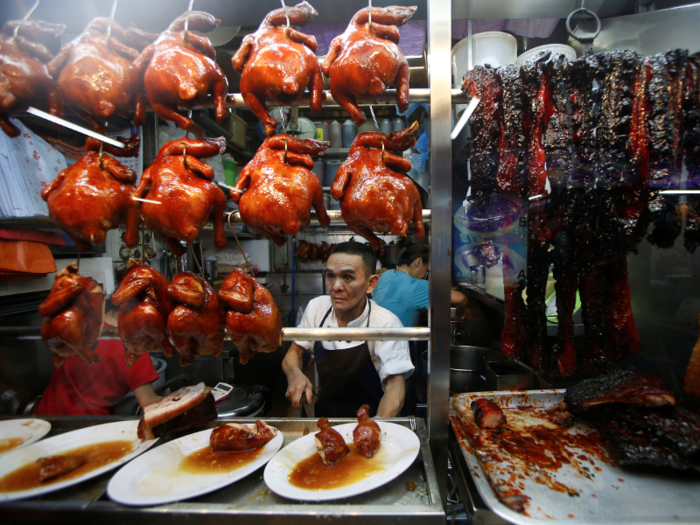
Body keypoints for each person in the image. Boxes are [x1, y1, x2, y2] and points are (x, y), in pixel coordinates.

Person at [282, 241, 414, 418]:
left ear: (371, 284)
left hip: (372, 419)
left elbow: (395, 390)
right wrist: (295, 374)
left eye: (347, 277)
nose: (336, 286)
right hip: (326, 420)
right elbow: (294, 352)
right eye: (330, 276)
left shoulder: (385, 323)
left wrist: (373, 429)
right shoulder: (317, 308)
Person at [35, 309, 161, 416]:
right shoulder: (133, 349)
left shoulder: (80, 328)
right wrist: (180, 399)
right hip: (84, 430)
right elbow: (150, 404)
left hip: (41, 421)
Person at [373, 244, 470, 328]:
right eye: (427, 269)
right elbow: (462, 298)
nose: (425, 274)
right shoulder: (418, 285)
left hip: (373, 337)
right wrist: (460, 313)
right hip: (396, 343)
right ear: (418, 262)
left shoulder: (386, 274)